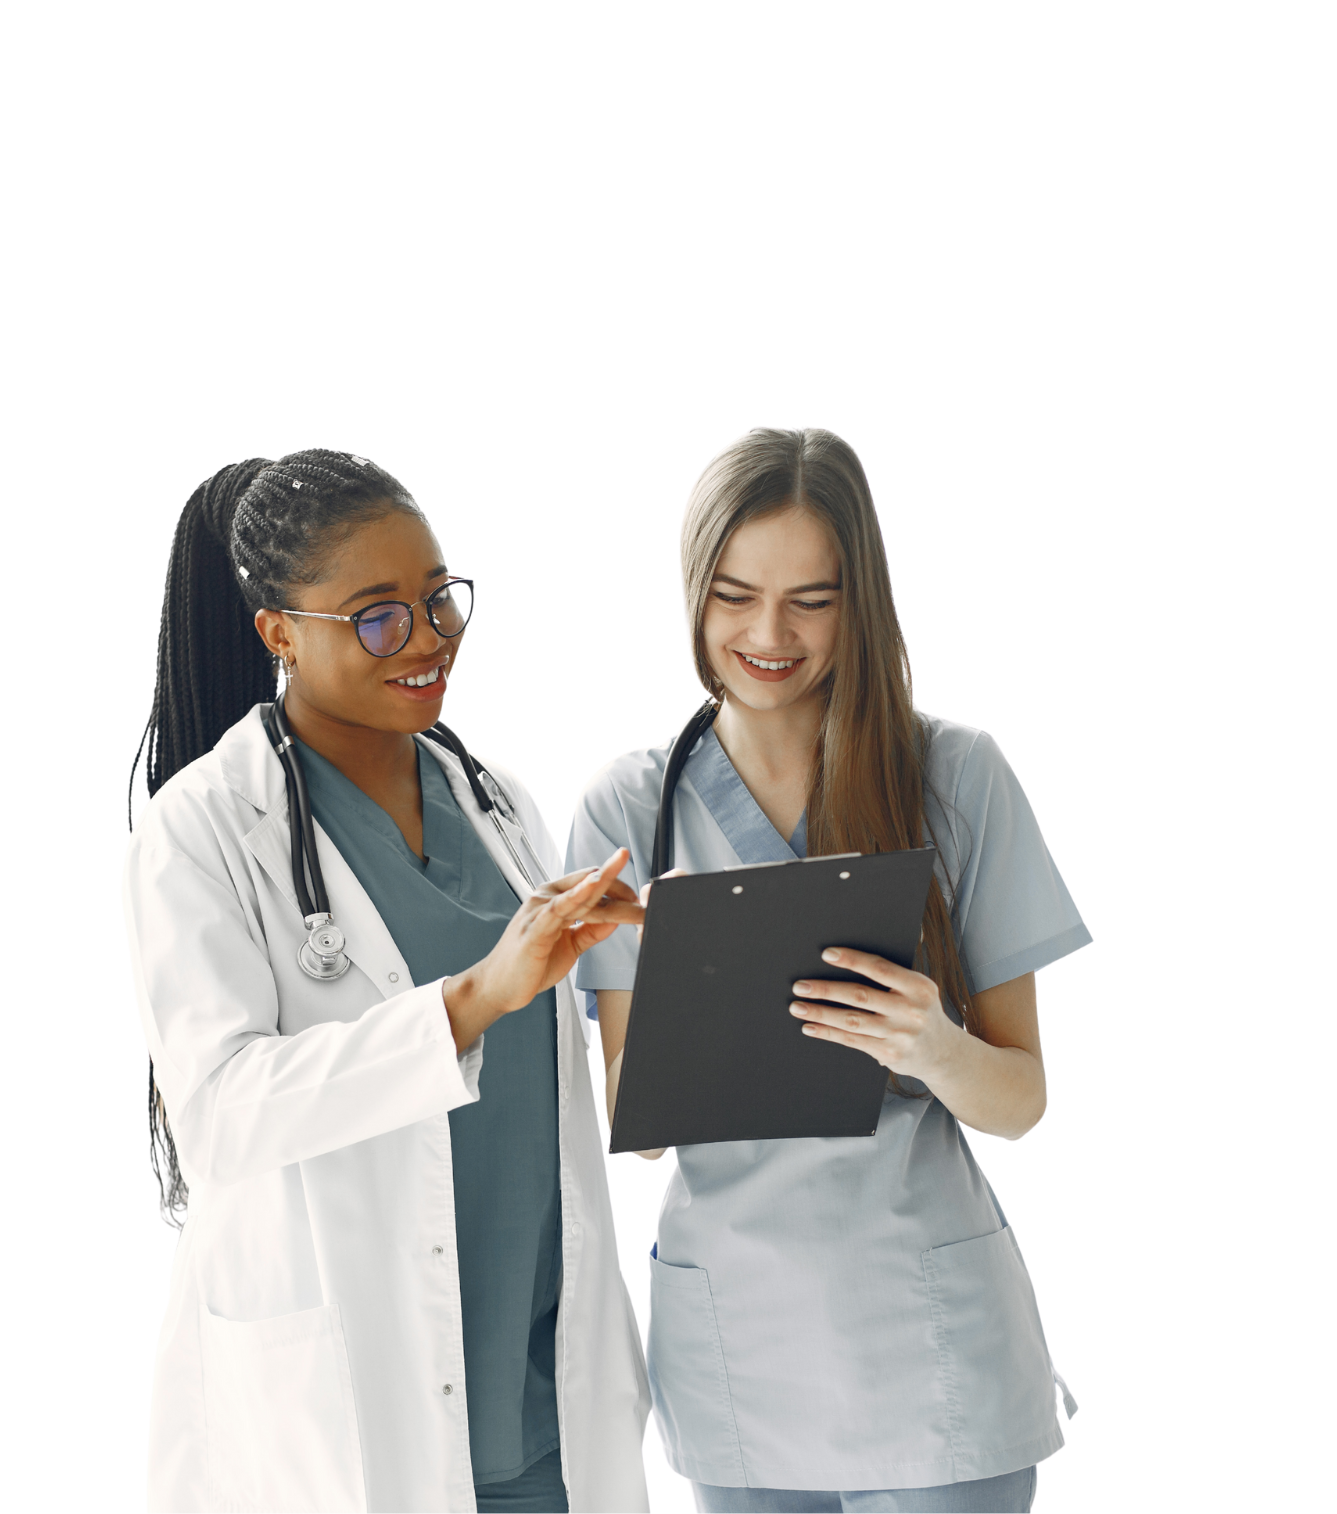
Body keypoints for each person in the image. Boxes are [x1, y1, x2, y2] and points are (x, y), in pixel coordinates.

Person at [565, 425, 1089, 1514]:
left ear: (864, 600)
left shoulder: (956, 773)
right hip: (738, 1355)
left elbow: (1021, 1100)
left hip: (930, 1345)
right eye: (735, 592)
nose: (769, 632)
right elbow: (639, 1128)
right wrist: (686, 965)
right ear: (689, 588)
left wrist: (933, 1045)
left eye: (813, 595)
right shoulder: (625, 805)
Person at [120, 451, 653, 1514]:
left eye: (440, 599)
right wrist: (471, 998)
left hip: (548, 1388)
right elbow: (220, 1113)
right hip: (353, 1420)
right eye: (376, 617)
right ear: (279, 631)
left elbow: (545, 1086)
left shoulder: (494, 794)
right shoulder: (198, 830)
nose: (428, 641)